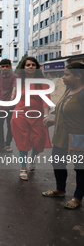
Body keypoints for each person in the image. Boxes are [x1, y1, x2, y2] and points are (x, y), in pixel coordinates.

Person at [42, 63, 84, 209]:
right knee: (57, 162)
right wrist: (53, 120)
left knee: (80, 168)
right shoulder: (69, 90)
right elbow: (65, 111)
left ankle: (78, 197)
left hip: (79, 138)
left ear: (78, 76)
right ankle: (60, 189)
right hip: (62, 136)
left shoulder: (82, 93)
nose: (63, 77)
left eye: (67, 74)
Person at [10, 57, 52, 181]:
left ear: (36, 67)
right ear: (24, 67)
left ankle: (32, 157)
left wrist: (46, 115)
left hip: (37, 115)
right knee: (22, 141)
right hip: (20, 113)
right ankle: (23, 168)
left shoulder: (43, 81)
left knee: (39, 140)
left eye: (33, 65)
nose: (30, 67)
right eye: (28, 65)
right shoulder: (19, 80)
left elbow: (46, 99)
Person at [0, 59, 18, 153]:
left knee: (10, 126)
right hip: (0, 106)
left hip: (11, 105)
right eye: (3, 66)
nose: (5, 68)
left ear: (10, 66)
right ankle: (0, 145)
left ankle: (7, 145)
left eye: (7, 66)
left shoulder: (14, 76)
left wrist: (12, 96)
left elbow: (15, 86)